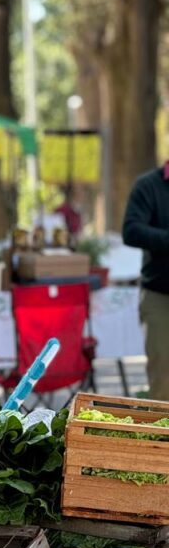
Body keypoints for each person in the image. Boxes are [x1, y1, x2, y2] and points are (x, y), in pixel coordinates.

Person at [122, 160, 169, 400]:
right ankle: (161, 437)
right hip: (160, 296)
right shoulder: (148, 185)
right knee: (163, 378)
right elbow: (130, 230)